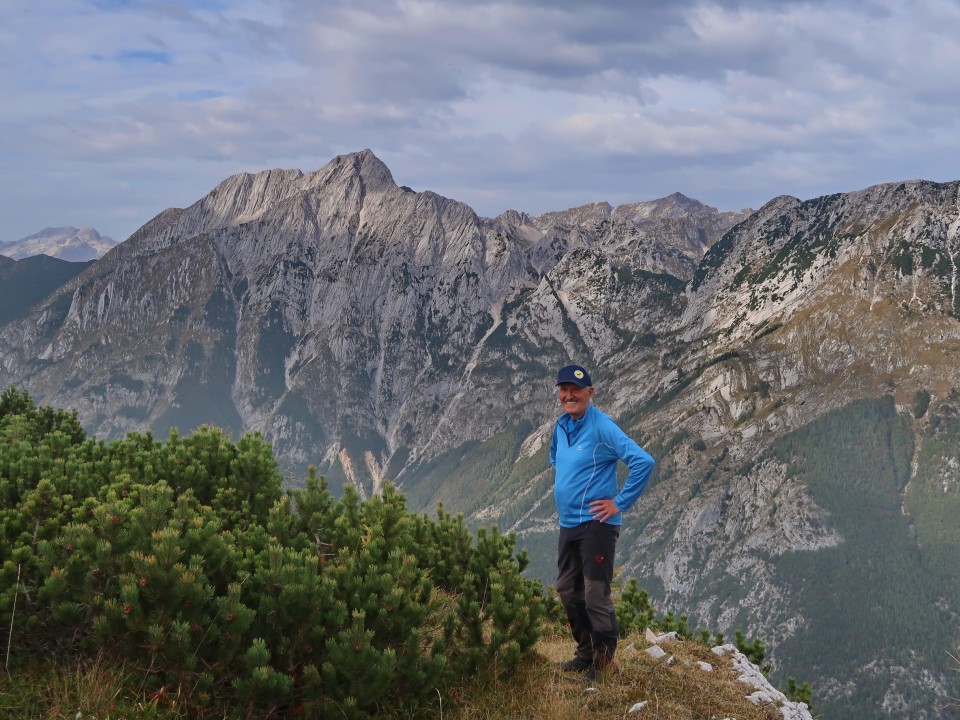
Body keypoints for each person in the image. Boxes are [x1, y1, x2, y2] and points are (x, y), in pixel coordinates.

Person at [550, 363, 656, 678]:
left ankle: (604, 662)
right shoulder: (561, 426)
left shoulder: (602, 426)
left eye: (576, 390)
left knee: (595, 593)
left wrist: (619, 502)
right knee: (567, 589)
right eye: (564, 389)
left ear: (590, 393)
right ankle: (584, 653)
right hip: (568, 523)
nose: (569, 395)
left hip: (597, 523)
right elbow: (556, 458)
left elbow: (643, 461)